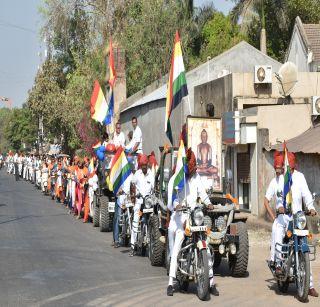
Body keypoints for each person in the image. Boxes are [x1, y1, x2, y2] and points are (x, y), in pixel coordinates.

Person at [264, 150, 318, 297]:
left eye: (291, 166)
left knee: (304, 246)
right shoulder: (280, 179)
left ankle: (310, 285)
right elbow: (279, 198)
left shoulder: (300, 177)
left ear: (294, 165)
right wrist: (278, 209)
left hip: (298, 217)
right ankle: (278, 263)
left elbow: (306, 194)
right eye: (288, 166)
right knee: (277, 229)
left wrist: (311, 207)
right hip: (284, 217)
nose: (290, 168)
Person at [166, 148, 219, 297]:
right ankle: (171, 282)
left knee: (207, 248)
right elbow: (171, 200)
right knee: (177, 246)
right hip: (180, 217)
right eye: (190, 169)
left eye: (194, 169)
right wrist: (176, 205)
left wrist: (208, 203)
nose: (192, 172)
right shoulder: (177, 179)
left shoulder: (196, 177)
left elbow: (202, 192)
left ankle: (211, 282)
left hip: (195, 216)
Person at [129, 154, 154, 256]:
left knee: (153, 220)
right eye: (142, 165)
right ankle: (132, 245)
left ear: (147, 164)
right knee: (135, 221)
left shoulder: (151, 174)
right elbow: (132, 184)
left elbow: (153, 188)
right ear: (140, 165)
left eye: (145, 165)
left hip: (148, 203)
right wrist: (133, 196)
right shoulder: (137, 174)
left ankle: (150, 242)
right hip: (139, 202)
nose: (144, 167)